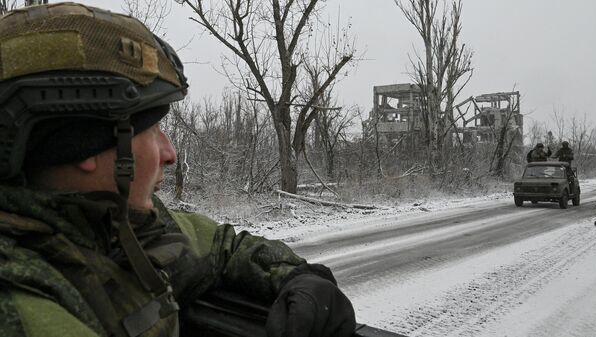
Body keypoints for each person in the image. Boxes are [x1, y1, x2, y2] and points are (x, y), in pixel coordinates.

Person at [0, 3, 355, 337]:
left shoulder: (116, 228)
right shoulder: (23, 306)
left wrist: (299, 277)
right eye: (152, 130)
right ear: (82, 146)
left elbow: (221, 247)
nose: (170, 154)